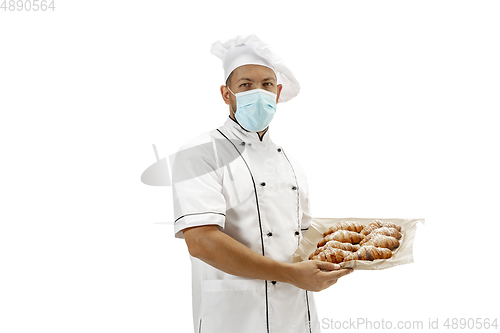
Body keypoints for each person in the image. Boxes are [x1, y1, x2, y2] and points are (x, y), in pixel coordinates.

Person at [171, 34, 353, 333]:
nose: (259, 92)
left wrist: (353, 247)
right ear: (226, 93)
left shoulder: (291, 163)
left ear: (278, 92)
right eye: (246, 84)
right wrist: (291, 274)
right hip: (236, 318)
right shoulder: (202, 153)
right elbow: (201, 241)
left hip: (295, 314)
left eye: (267, 84)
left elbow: (305, 237)